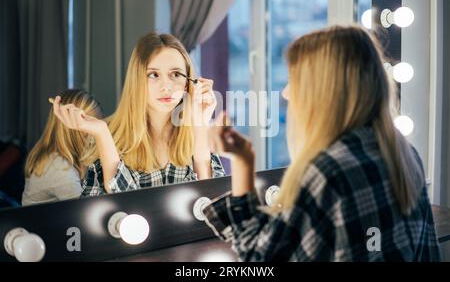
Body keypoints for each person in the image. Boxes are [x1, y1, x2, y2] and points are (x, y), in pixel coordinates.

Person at [205, 26, 441, 261]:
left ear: (322, 91)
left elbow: (260, 261)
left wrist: (242, 163)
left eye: (293, 80)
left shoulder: (328, 173)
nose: (286, 93)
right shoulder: (404, 155)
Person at [52, 33, 225, 196]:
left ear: (189, 84)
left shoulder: (199, 132)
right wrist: (102, 134)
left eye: (176, 74)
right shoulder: (110, 136)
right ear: (137, 81)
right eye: (154, 75)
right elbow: (118, 213)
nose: (167, 87)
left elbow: (211, 202)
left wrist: (200, 123)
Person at [22, 89, 104, 205]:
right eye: (92, 128)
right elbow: (84, 210)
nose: (96, 134)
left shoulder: (64, 157)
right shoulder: (59, 168)